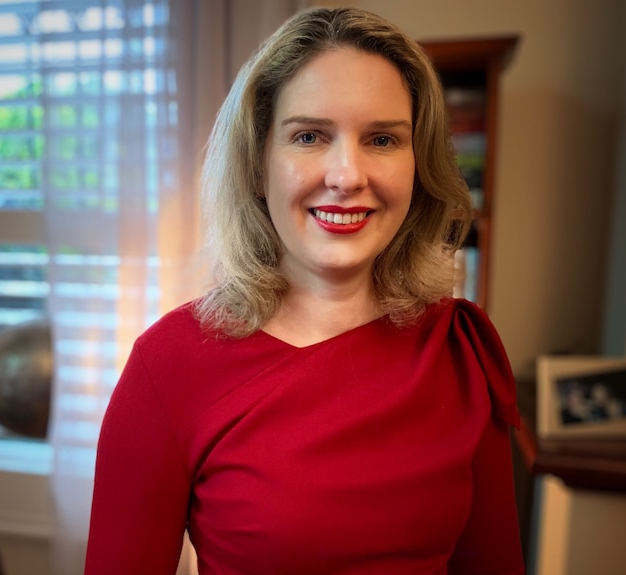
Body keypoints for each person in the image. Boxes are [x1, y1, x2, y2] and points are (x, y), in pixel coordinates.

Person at [85, 7, 525, 575]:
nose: (347, 175)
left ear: (419, 168)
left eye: (383, 139)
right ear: (258, 160)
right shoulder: (168, 365)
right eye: (310, 136)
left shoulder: (462, 351)